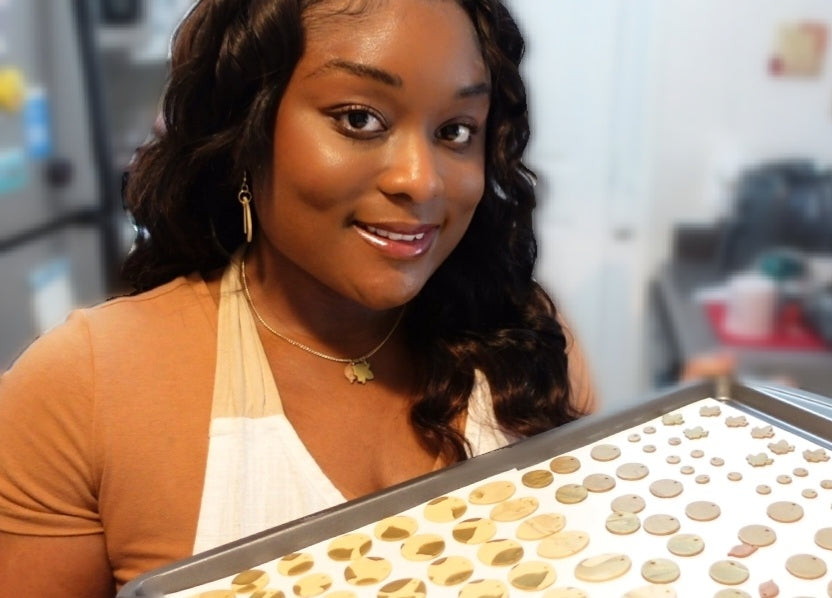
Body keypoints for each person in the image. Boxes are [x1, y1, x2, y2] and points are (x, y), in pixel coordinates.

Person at [0, 0, 599, 595]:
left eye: (455, 131)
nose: (422, 180)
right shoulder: (81, 390)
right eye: (360, 119)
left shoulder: (528, 341)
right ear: (245, 128)